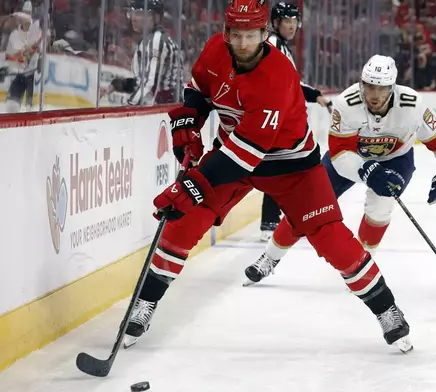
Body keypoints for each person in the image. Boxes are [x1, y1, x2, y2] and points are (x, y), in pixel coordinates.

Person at [124, 0, 412, 353]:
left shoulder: (277, 76)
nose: (243, 43)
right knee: (183, 222)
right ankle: (145, 304)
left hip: (291, 166)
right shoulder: (216, 48)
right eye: (236, 35)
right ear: (226, 32)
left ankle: (388, 311)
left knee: (332, 239)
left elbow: (247, 153)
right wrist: (189, 122)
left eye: (251, 35)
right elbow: (199, 89)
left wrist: (193, 184)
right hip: (234, 152)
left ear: (264, 34)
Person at [243, 54, 436, 288]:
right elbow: (340, 152)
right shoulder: (346, 103)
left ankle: (362, 268)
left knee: (380, 209)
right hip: (350, 158)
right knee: (307, 208)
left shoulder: (413, 105)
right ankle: (269, 258)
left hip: (395, 160)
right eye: (370, 87)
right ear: (361, 84)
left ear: (393, 88)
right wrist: (367, 170)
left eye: (382, 88)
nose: (375, 95)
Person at [259, 1, 333, 242]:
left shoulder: (280, 45)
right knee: (279, 167)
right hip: (270, 118)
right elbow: (282, 83)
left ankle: (272, 221)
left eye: (294, 21)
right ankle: (271, 223)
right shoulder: (272, 44)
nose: (291, 26)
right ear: (276, 22)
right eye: (286, 21)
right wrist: (313, 95)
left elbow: (290, 82)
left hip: (276, 117)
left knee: (281, 167)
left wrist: (314, 95)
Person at [101, 0, 183, 105]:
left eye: (139, 13)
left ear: (155, 18)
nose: (133, 18)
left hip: (167, 110)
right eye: (132, 13)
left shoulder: (157, 41)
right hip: (163, 107)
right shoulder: (149, 40)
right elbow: (143, 81)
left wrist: (130, 106)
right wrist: (116, 85)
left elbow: (149, 83)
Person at [3, 2, 41, 113]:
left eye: (27, 13)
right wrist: (13, 66)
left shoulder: (38, 33)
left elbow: (40, 53)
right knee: (11, 108)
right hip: (18, 75)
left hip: (32, 77)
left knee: (32, 110)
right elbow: (9, 57)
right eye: (23, 14)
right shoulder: (14, 35)